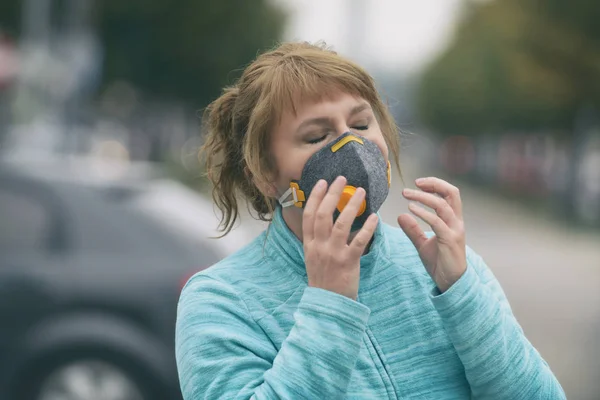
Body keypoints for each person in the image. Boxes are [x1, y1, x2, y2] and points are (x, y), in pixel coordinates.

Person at [175, 42, 565, 399]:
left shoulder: (443, 266)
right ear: (263, 171)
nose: (353, 146)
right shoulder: (220, 301)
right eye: (316, 136)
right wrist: (329, 305)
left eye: (361, 124)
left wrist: (462, 294)